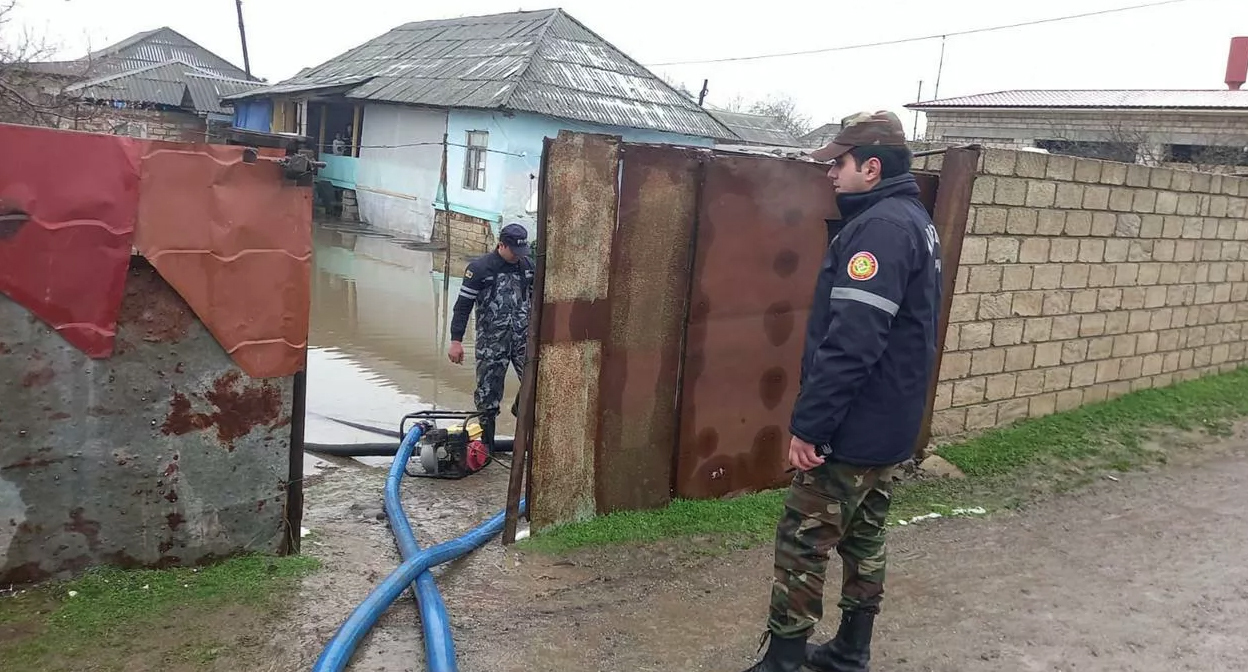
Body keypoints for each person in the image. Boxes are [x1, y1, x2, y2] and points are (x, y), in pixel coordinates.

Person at [740, 111, 943, 672]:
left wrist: (811, 426)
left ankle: (784, 661)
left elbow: (854, 342)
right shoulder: (914, 220)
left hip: (856, 424)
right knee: (865, 535)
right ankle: (851, 651)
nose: (830, 173)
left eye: (839, 163)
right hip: (889, 422)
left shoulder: (880, 230)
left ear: (871, 168)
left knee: (803, 538)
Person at [448, 223, 535, 448]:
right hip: (491, 343)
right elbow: (463, 306)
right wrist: (456, 341)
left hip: (523, 340)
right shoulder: (480, 269)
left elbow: (536, 301)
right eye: (514, 251)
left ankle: (521, 413)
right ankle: (487, 448)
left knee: (537, 383)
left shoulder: (527, 267)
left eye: (521, 252)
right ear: (501, 245)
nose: (518, 256)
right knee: (488, 397)